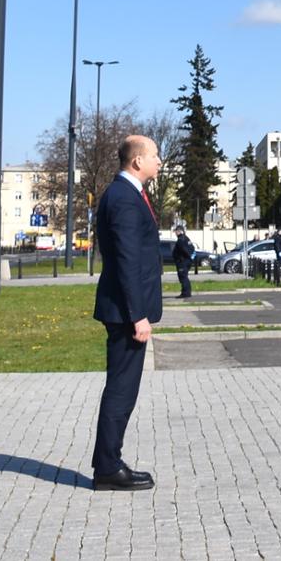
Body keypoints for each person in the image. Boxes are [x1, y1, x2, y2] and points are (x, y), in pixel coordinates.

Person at [90, 134, 164, 492]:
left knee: (123, 388)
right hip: (125, 313)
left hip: (125, 309)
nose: (159, 161)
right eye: (155, 155)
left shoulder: (127, 194)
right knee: (121, 389)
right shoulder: (123, 198)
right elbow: (126, 260)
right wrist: (138, 315)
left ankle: (109, 463)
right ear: (137, 161)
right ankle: (107, 467)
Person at [171, 225, 195, 299]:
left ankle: (185, 293)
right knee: (184, 277)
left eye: (176, 231)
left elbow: (184, 250)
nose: (175, 233)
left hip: (182, 262)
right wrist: (190, 258)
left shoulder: (180, 240)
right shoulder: (186, 238)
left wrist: (183, 258)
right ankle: (186, 292)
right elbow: (192, 248)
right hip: (186, 261)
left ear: (180, 231)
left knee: (183, 277)